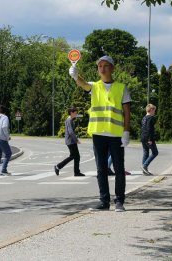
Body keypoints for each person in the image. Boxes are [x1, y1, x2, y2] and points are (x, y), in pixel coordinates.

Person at [69, 55, 131, 212]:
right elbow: (83, 84)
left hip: (116, 135)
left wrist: (126, 132)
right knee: (101, 169)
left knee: (119, 169)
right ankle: (104, 201)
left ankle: (119, 202)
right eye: (99, 66)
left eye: (106, 66)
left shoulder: (121, 88)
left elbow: (127, 112)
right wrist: (75, 75)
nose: (102, 69)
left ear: (112, 68)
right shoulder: (94, 86)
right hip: (98, 134)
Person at [54, 107, 85, 177]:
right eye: (75, 113)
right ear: (71, 113)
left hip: (71, 141)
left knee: (76, 156)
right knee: (73, 156)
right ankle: (58, 166)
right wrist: (76, 140)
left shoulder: (70, 119)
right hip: (71, 141)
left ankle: (76, 172)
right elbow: (70, 132)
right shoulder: (69, 120)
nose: (76, 114)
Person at [0, 105, 12, 176]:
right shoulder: (5, 117)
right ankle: (4, 169)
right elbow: (4, 127)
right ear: (5, 112)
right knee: (8, 153)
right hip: (1, 138)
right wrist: (7, 137)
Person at [140, 104, 158, 175]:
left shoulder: (144, 118)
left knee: (146, 152)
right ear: (151, 110)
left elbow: (143, 128)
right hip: (148, 137)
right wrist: (150, 139)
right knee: (155, 152)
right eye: (154, 110)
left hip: (143, 137)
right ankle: (144, 165)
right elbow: (149, 129)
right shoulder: (151, 118)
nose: (154, 112)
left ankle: (144, 170)